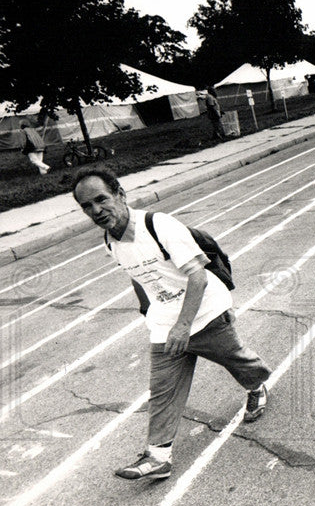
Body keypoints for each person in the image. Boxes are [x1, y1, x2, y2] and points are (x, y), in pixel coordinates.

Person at [71, 166, 271, 480]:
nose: (96, 210)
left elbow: (198, 275)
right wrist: (149, 313)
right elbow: (137, 276)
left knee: (236, 359)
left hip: (204, 310)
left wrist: (183, 325)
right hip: (166, 320)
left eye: (101, 199)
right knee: (162, 388)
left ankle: (256, 386)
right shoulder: (110, 242)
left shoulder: (158, 225)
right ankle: (158, 456)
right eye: (87, 206)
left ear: (120, 195)